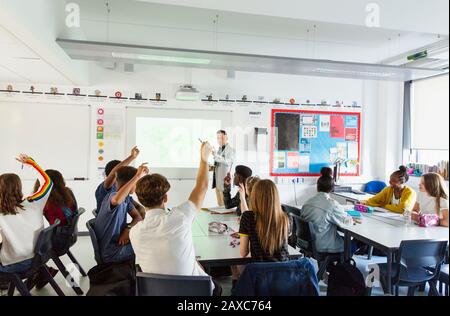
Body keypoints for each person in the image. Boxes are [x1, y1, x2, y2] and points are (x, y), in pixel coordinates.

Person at [131, 142, 222, 296]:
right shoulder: (180, 217)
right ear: (165, 198)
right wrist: (204, 158)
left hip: (156, 293)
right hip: (194, 293)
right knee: (217, 288)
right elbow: (202, 186)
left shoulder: (135, 232)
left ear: (140, 200)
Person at [0, 154, 53, 274]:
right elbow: (48, 182)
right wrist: (31, 164)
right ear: (19, 187)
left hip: (14, 264)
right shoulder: (34, 202)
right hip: (38, 258)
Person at [32, 169, 78, 289]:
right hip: (71, 236)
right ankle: (42, 272)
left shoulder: (47, 200)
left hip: (59, 242)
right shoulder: (68, 193)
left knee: (29, 249)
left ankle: (42, 272)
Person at [94, 164, 147, 263]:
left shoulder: (126, 198)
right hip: (112, 252)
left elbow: (138, 217)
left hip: (116, 246)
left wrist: (128, 228)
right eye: (136, 182)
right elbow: (117, 201)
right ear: (130, 183)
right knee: (151, 244)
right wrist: (137, 176)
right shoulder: (112, 196)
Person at [300, 167, 354, 254]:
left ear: (317, 187)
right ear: (332, 188)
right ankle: (343, 266)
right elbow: (346, 222)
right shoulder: (332, 205)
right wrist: (350, 218)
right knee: (357, 243)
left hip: (308, 244)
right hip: (324, 246)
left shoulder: (307, 202)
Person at [239, 179, 290, 261]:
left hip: (260, 272)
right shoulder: (287, 218)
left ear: (254, 196)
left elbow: (243, 253)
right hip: (284, 271)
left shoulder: (248, 217)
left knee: (236, 268)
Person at [95, 146, 145, 217]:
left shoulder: (123, 191)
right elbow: (114, 172)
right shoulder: (105, 188)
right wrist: (132, 157)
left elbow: (138, 208)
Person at [211, 130, 235, 206]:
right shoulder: (219, 150)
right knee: (219, 205)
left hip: (224, 182)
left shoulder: (231, 150)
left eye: (221, 137)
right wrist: (212, 167)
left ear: (226, 137)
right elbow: (219, 164)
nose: (219, 140)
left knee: (224, 206)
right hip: (217, 181)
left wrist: (216, 155)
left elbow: (227, 162)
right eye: (218, 138)